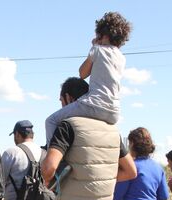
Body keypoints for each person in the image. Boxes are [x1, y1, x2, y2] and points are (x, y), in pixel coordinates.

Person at [44, 11, 132, 146]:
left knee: (50, 121)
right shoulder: (121, 57)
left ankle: (54, 155)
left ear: (103, 34)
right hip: (114, 112)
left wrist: (94, 46)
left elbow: (82, 73)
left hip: (94, 104)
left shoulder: (97, 50)